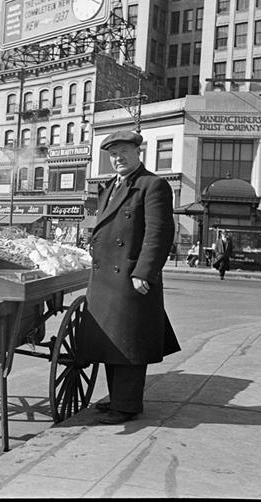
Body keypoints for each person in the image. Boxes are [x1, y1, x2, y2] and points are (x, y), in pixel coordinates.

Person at [78, 130, 181, 425]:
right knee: (112, 341)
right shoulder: (110, 186)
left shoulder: (153, 185)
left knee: (129, 343)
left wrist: (144, 272)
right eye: (113, 154)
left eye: (124, 152)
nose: (118, 158)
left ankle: (127, 406)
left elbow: (159, 234)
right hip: (106, 278)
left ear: (138, 153)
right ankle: (118, 398)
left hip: (129, 277)